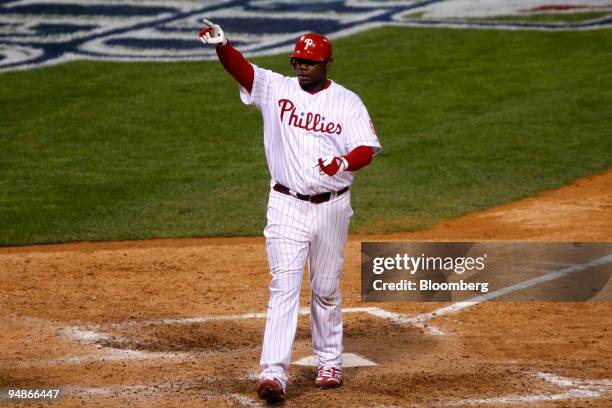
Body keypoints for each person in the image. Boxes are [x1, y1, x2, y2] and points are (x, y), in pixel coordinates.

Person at [199, 19, 381, 403]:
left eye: (309, 63)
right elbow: (244, 71)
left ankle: (329, 360)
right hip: (285, 204)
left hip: (332, 208)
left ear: (327, 64)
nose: (301, 67)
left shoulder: (346, 101)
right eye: (297, 60)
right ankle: (273, 373)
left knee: (326, 288)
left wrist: (343, 163)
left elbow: (366, 148)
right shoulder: (277, 88)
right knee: (284, 287)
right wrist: (223, 46)